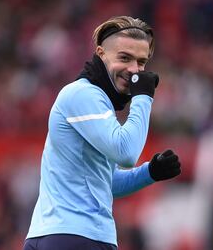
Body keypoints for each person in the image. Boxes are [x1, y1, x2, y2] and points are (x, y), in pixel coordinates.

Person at [23, 16, 181, 250]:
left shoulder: (95, 103)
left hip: (51, 235)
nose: (134, 71)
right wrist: (143, 97)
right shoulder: (83, 94)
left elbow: (105, 183)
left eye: (141, 62)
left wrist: (151, 172)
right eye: (124, 58)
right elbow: (126, 152)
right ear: (101, 53)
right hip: (80, 238)